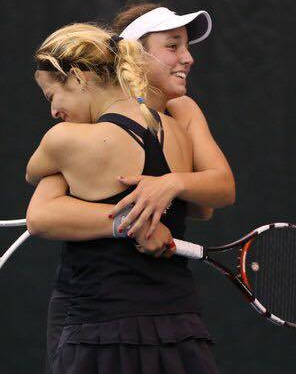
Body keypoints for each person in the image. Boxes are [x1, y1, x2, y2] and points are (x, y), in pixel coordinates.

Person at [27, 22, 221, 373]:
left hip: (102, 328)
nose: (54, 111)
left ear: (79, 77)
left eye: (52, 96)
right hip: (179, 327)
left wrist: (123, 221)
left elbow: (32, 180)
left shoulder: (67, 139)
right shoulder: (176, 129)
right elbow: (202, 207)